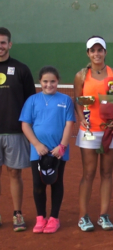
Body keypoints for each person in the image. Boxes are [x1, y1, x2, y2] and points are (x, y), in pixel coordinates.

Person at [74, 36, 113, 231]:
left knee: (107, 173)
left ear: (105, 52)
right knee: (88, 174)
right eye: (92, 50)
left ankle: (104, 215)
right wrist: (82, 118)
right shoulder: (81, 76)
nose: (96, 54)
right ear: (88, 53)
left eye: (100, 50)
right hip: (89, 132)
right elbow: (78, 100)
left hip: (111, 131)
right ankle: (83, 216)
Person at [19, 66, 75, 233]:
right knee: (38, 184)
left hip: (58, 151)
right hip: (38, 151)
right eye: (45, 81)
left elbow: (69, 124)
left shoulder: (65, 100)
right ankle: (40, 218)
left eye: (52, 81)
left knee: (56, 183)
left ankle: (54, 218)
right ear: (40, 82)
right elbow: (25, 125)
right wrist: (37, 144)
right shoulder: (32, 100)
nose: (49, 84)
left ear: (58, 81)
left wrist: (62, 147)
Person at [0, 27, 36, 231]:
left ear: (10, 44)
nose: (0, 47)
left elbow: (31, 102)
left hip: (15, 131)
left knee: (14, 173)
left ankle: (17, 213)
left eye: (3, 43)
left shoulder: (21, 70)